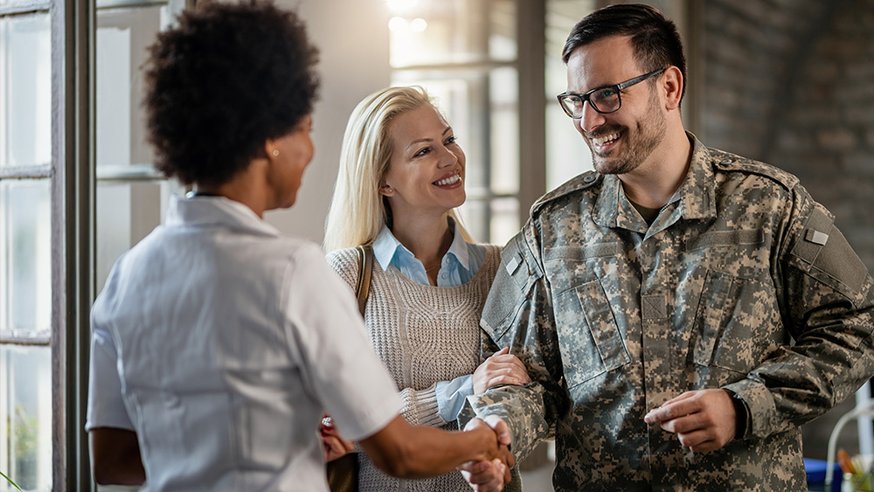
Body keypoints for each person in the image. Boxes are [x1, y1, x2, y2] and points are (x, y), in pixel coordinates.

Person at [84, 3, 513, 491]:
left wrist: (218, 455)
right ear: (270, 138)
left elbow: (112, 460)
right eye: (305, 130)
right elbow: (398, 451)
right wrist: (482, 443)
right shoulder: (292, 271)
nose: (309, 152)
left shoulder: (127, 276)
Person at [461, 3, 874, 491]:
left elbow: (856, 329)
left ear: (669, 87)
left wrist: (745, 406)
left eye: (608, 95)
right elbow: (526, 377)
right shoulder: (551, 228)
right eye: (576, 100)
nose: (589, 121)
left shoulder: (770, 205)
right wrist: (497, 430)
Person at [322, 85, 528, 492]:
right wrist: (463, 390)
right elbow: (337, 422)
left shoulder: (502, 268)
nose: (450, 158)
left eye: (448, 139)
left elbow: (529, 397)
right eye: (423, 151)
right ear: (383, 181)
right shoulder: (345, 274)